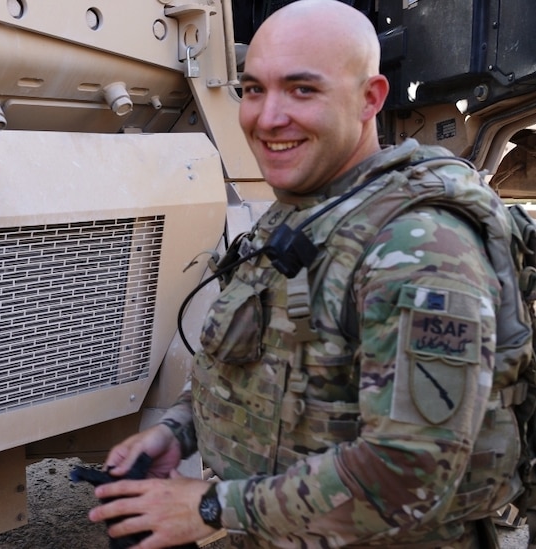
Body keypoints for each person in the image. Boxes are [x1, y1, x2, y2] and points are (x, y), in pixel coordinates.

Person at [88, 0, 532, 547]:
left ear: (370, 98)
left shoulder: (417, 247)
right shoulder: (305, 210)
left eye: (302, 90)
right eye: (253, 89)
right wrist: (175, 432)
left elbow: (411, 473)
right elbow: (255, 368)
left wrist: (208, 507)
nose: (268, 117)